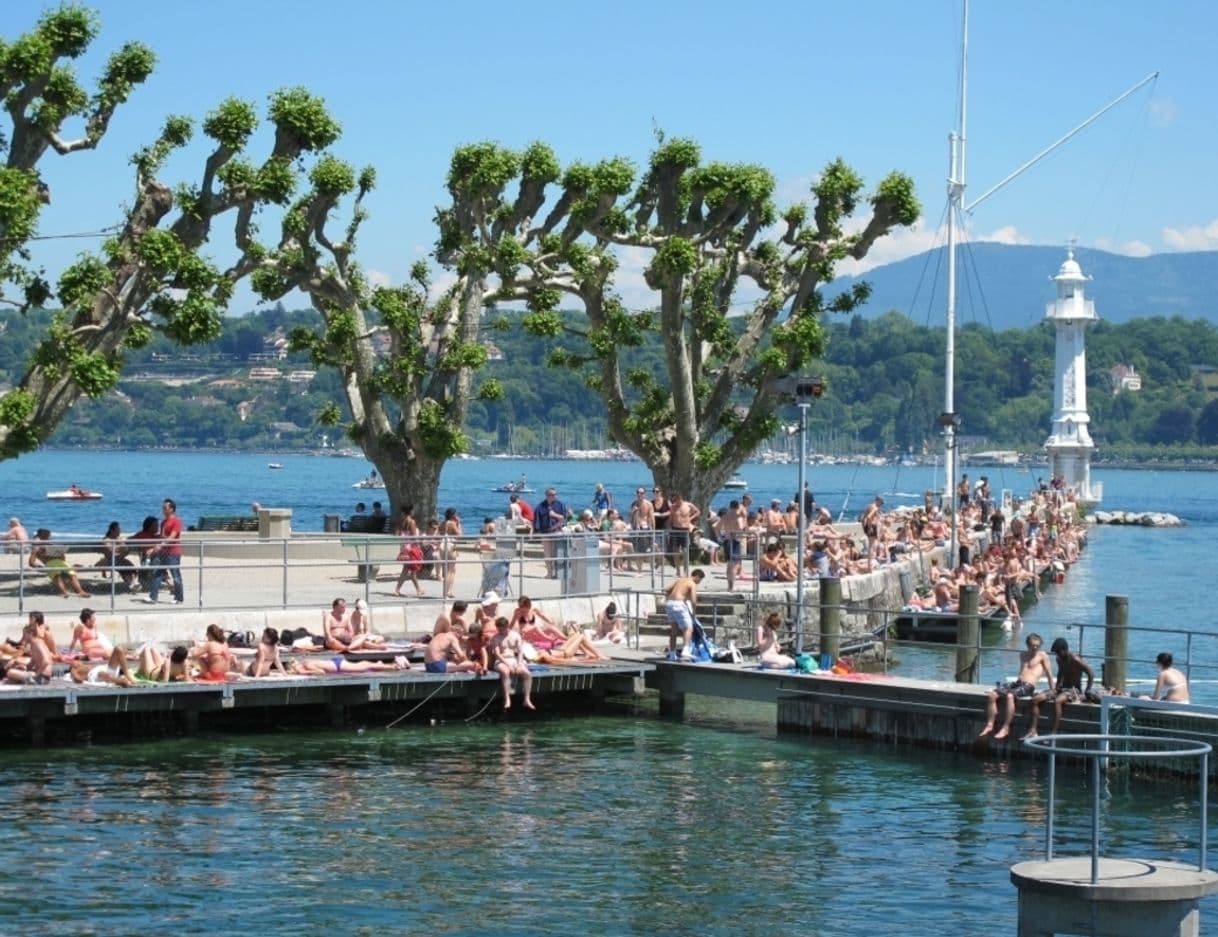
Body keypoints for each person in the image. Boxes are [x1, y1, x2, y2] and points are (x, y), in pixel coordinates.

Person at [978, 633, 1055, 740]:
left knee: (1010, 696)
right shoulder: (1022, 655)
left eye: (1037, 646)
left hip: (1029, 686)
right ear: (1028, 645)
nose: (1035, 648)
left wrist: (1053, 690)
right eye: (1033, 645)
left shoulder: (1043, 656)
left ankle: (1006, 727)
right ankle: (990, 725)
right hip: (1017, 683)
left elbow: (1049, 674)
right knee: (992, 695)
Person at [1025, 637, 1094, 739]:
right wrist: (1056, 688)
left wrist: (1088, 689)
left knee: (1057, 701)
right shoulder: (1059, 659)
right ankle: (1033, 730)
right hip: (1062, 688)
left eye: (1058, 652)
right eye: (1056, 652)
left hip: (1074, 690)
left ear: (1064, 649)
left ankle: (1054, 734)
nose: (1057, 654)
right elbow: (1060, 674)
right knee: (1036, 699)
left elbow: (1090, 673)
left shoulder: (1075, 659)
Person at [143, 498, 184, 605]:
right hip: (163, 552)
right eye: (163, 508)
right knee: (157, 573)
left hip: (173, 552)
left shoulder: (176, 521)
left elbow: (172, 537)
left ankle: (179, 598)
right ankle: (153, 597)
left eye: (165, 508)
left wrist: (160, 545)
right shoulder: (164, 522)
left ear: (171, 509)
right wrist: (153, 548)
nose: (163, 510)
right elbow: (162, 537)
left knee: (175, 575)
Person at [28, 527, 90, 598]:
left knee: (72, 574)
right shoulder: (36, 548)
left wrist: (60, 552)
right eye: (49, 536)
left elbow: (63, 559)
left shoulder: (50, 545)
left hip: (61, 562)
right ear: (44, 536)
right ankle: (64, 592)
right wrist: (39, 567)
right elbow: (31, 562)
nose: (51, 537)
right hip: (50, 563)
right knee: (57, 576)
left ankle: (80, 591)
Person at [489, 616, 534, 710]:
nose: (500, 631)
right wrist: (508, 664)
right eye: (499, 629)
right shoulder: (496, 638)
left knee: (527, 674)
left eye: (502, 629)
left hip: (513, 659)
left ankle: (527, 699)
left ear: (507, 626)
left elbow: (520, 651)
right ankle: (507, 699)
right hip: (501, 660)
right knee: (505, 672)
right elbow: (497, 654)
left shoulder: (515, 635)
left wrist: (519, 663)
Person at [664, 569, 705, 662]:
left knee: (673, 630)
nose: (699, 583)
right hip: (679, 605)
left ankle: (672, 654)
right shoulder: (692, 583)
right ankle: (685, 650)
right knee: (688, 628)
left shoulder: (680, 580)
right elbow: (694, 601)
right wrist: (694, 613)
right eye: (700, 580)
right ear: (697, 576)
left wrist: (671, 599)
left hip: (669, 603)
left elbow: (666, 590)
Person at [534, 488, 567, 579]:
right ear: (547, 495)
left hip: (557, 531)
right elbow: (537, 520)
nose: (555, 496)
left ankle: (558, 573)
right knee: (547, 554)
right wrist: (537, 531)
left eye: (555, 494)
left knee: (557, 553)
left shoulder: (560, 505)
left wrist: (555, 516)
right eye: (552, 495)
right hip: (545, 532)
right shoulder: (540, 506)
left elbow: (564, 519)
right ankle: (549, 573)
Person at [95, 521, 138, 590]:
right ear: (112, 531)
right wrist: (120, 547)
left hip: (119, 558)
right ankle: (131, 583)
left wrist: (120, 544)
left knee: (131, 567)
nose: (120, 531)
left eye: (120, 529)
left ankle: (132, 583)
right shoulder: (106, 540)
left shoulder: (118, 539)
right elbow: (111, 550)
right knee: (124, 566)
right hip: (110, 560)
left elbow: (125, 549)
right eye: (118, 529)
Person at [393, 504, 424, 597]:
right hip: (412, 548)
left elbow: (396, 534)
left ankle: (417, 589)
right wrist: (419, 548)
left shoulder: (401, 522)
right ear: (410, 511)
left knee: (407, 569)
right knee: (411, 570)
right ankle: (416, 590)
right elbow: (414, 537)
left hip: (404, 547)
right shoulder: (411, 522)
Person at [667, 494, 700, 577]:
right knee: (675, 551)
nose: (675, 502)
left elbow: (698, 512)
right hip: (675, 529)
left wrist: (690, 518)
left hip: (684, 529)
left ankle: (685, 570)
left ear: (680, 498)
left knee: (685, 550)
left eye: (676, 500)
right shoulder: (673, 507)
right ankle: (678, 571)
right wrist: (668, 527)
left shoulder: (688, 505)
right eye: (674, 500)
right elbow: (671, 518)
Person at [70, 645, 135, 687]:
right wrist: (74, 671)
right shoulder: (74, 670)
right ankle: (120, 681)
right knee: (102, 674)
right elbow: (77, 680)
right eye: (75, 661)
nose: (78, 661)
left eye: (77, 660)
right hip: (95, 675)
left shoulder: (84, 665)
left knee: (118, 649)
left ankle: (127, 675)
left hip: (106, 668)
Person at [288, 656, 410, 675]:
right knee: (365, 665)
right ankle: (382, 664)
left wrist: (304, 672)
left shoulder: (307, 665)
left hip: (338, 665)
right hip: (336, 663)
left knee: (364, 666)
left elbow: (321, 672)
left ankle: (394, 666)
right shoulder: (305, 662)